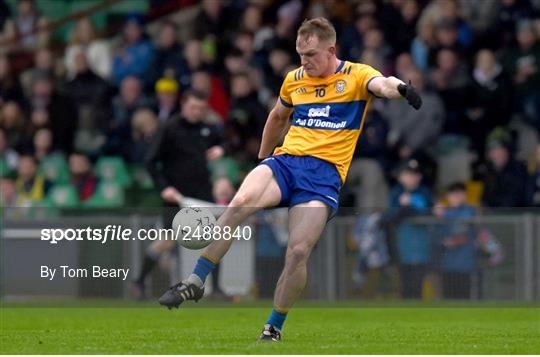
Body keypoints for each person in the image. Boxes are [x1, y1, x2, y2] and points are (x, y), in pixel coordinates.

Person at [157, 17, 422, 341]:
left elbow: (382, 84)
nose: (304, 62)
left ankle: (273, 327)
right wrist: (263, 158)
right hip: (285, 163)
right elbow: (278, 116)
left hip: (323, 177)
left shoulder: (356, 75)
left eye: (310, 55)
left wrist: (402, 89)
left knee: (297, 252)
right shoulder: (295, 79)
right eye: (300, 54)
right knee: (239, 202)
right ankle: (196, 281)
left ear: (331, 49)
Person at [133, 90, 226, 299]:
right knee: (167, 240)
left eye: (201, 109)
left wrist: (221, 149)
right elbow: (150, 161)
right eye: (193, 107)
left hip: (201, 194)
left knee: (215, 238)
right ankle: (139, 282)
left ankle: (216, 288)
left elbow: (225, 142)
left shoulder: (208, 129)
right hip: (175, 196)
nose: (196, 112)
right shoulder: (169, 128)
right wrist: (164, 187)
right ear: (184, 106)